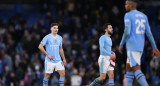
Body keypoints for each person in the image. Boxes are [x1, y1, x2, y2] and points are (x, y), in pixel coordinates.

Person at [118, 0, 160, 86]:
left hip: (132, 46)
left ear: (131, 5)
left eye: (126, 4)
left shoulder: (128, 15)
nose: (125, 5)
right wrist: (154, 47)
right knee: (129, 71)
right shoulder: (144, 16)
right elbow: (149, 33)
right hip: (140, 47)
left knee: (137, 70)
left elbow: (127, 31)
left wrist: (121, 44)